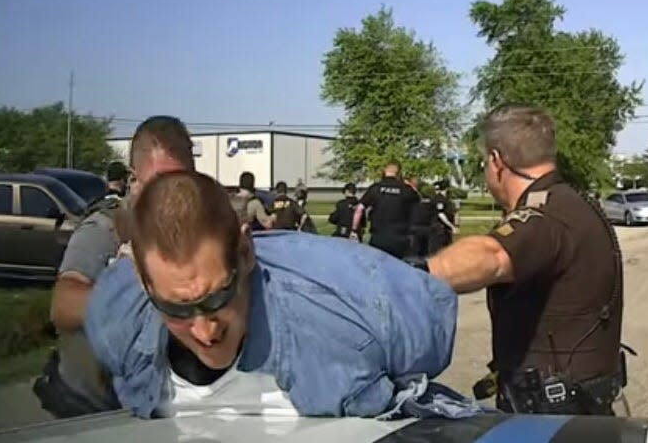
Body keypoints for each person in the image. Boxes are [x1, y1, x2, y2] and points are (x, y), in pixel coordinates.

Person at [84, 171, 474, 419]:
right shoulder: (115, 321)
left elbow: (426, 321)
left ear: (246, 252)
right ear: (140, 277)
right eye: (175, 308)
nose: (204, 330)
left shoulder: (360, 307)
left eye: (219, 297)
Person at [417, 104, 625, 416]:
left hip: (552, 420)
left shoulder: (545, 216)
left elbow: (494, 255)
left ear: (497, 161)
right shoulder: (571, 202)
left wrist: (408, 276)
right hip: (582, 407)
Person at [38, 116, 195, 418]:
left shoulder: (199, 228)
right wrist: (141, 291)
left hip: (156, 405)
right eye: (159, 184)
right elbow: (63, 305)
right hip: (89, 406)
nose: (170, 197)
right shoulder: (109, 227)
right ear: (134, 180)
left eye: (182, 183)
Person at [351, 163, 418, 259]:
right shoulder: (406, 190)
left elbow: (359, 209)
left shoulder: (375, 188)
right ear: (399, 174)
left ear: (384, 172)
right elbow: (418, 202)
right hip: (400, 237)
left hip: (378, 237)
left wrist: (354, 230)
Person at [428, 179, 458, 254]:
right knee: (438, 251)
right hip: (439, 229)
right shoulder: (439, 199)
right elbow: (441, 214)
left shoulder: (446, 199)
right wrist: (452, 226)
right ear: (446, 189)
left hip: (445, 230)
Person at [407, 178, 434, 257]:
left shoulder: (412, 194)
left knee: (415, 248)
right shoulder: (415, 195)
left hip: (414, 224)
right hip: (422, 225)